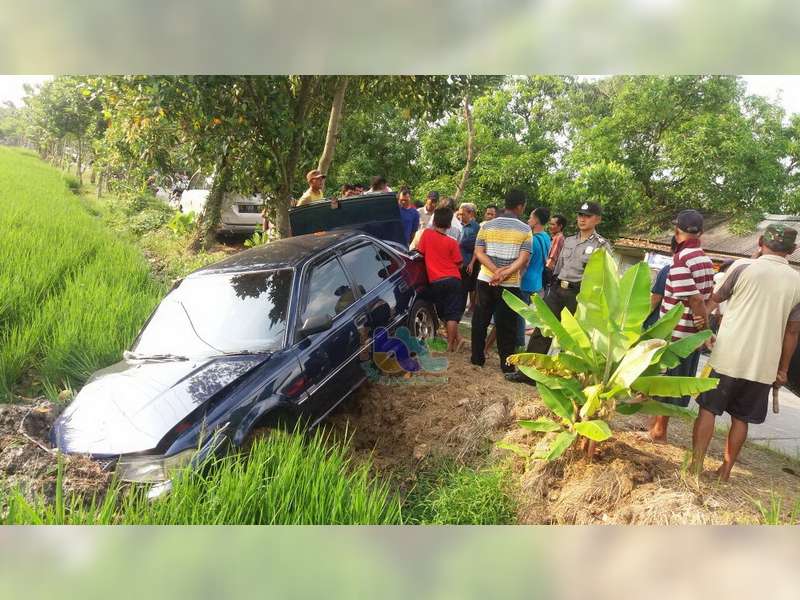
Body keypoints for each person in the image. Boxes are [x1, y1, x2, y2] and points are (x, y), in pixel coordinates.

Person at [690, 224, 800, 481]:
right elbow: (792, 332)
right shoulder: (798, 282)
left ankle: (695, 466)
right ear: (793, 250)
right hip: (764, 364)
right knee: (742, 418)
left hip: (728, 356)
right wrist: (782, 369)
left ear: (759, 241)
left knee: (708, 409)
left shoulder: (741, 268)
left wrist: (705, 333)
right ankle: (725, 472)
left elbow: (711, 303)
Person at [508, 202, 612, 384]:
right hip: (557, 290)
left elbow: (605, 276)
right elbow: (559, 268)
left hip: (579, 295)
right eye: (580, 215)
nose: (582, 219)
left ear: (598, 219)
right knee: (542, 330)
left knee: (573, 338)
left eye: (587, 216)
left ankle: (567, 377)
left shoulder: (601, 245)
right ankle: (528, 373)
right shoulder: (569, 240)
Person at [646, 209, 714, 443]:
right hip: (689, 334)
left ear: (676, 233)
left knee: (665, 384)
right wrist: (703, 326)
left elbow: (695, 299)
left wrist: (703, 323)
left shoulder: (681, 259)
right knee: (670, 384)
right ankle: (655, 428)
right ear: (701, 233)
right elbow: (707, 296)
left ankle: (658, 431)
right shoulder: (705, 260)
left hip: (676, 333)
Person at [470, 189, 532, 373]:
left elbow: (478, 252)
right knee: (507, 327)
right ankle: (506, 366)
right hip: (510, 284)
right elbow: (523, 259)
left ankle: (477, 359)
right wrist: (504, 274)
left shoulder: (487, 225)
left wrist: (495, 271)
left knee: (480, 321)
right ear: (521, 206)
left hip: (485, 280)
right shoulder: (525, 229)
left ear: (505, 204)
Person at [416, 206, 465, 352]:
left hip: (435, 281)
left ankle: (456, 340)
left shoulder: (426, 234)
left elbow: (420, 253)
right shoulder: (452, 242)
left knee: (442, 313)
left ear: (434, 221)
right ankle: (452, 344)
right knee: (452, 314)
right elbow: (459, 263)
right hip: (453, 279)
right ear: (449, 225)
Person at [515, 207, 552, 348]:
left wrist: (517, 278)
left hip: (525, 281)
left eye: (531, 217)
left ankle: (519, 345)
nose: (528, 220)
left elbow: (525, 262)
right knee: (525, 315)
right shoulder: (547, 237)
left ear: (536, 220)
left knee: (519, 315)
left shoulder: (532, 239)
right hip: (537, 283)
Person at [458, 202, 480, 314]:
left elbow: (478, 247)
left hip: (469, 263)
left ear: (470, 213)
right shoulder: (458, 226)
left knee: (467, 288)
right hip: (457, 263)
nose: (460, 216)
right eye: (459, 214)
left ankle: (467, 309)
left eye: (463, 214)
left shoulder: (476, 228)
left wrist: (472, 263)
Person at [544, 214, 567, 289]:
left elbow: (552, 258)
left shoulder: (558, 238)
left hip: (551, 274)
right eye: (550, 224)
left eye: (553, 224)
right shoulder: (556, 237)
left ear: (560, 226)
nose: (550, 226)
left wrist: (545, 273)